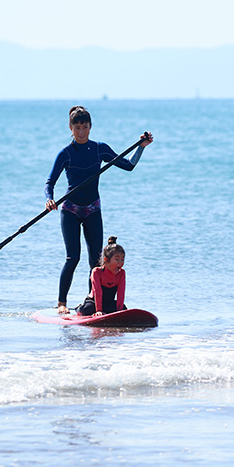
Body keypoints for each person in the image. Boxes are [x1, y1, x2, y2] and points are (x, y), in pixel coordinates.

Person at [45, 106, 152, 315]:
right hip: (70, 210)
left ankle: (92, 301)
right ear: (70, 128)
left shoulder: (99, 149)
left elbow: (129, 165)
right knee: (72, 257)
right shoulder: (65, 154)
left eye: (85, 127)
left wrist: (142, 146)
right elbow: (49, 182)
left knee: (96, 260)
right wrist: (49, 199)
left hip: (93, 208)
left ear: (90, 127)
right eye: (77, 128)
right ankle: (61, 303)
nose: (82, 132)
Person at [75, 236, 127, 316]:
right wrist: (98, 310)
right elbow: (97, 292)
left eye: (122, 259)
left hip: (108, 303)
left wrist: (119, 312)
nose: (120, 262)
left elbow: (121, 293)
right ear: (106, 260)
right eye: (117, 259)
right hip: (93, 301)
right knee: (87, 310)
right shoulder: (97, 272)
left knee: (123, 308)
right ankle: (79, 308)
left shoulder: (121, 273)